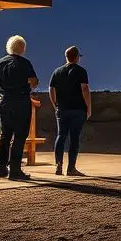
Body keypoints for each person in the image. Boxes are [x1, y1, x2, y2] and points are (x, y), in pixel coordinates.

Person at [0, 34, 38, 181]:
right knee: (20, 135)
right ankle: (15, 170)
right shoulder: (25, 63)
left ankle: (1, 167)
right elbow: (34, 81)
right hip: (21, 101)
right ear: (22, 48)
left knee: (5, 135)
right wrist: (30, 87)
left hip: (4, 102)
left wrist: (0, 95)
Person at [49, 46, 91, 177]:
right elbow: (85, 90)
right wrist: (89, 107)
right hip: (78, 109)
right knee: (74, 138)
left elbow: (51, 88)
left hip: (62, 109)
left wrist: (55, 103)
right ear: (77, 57)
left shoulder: (57, 71)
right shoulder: (81, 71)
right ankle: (71, 168)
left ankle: (58, 165)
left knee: (61, 136)